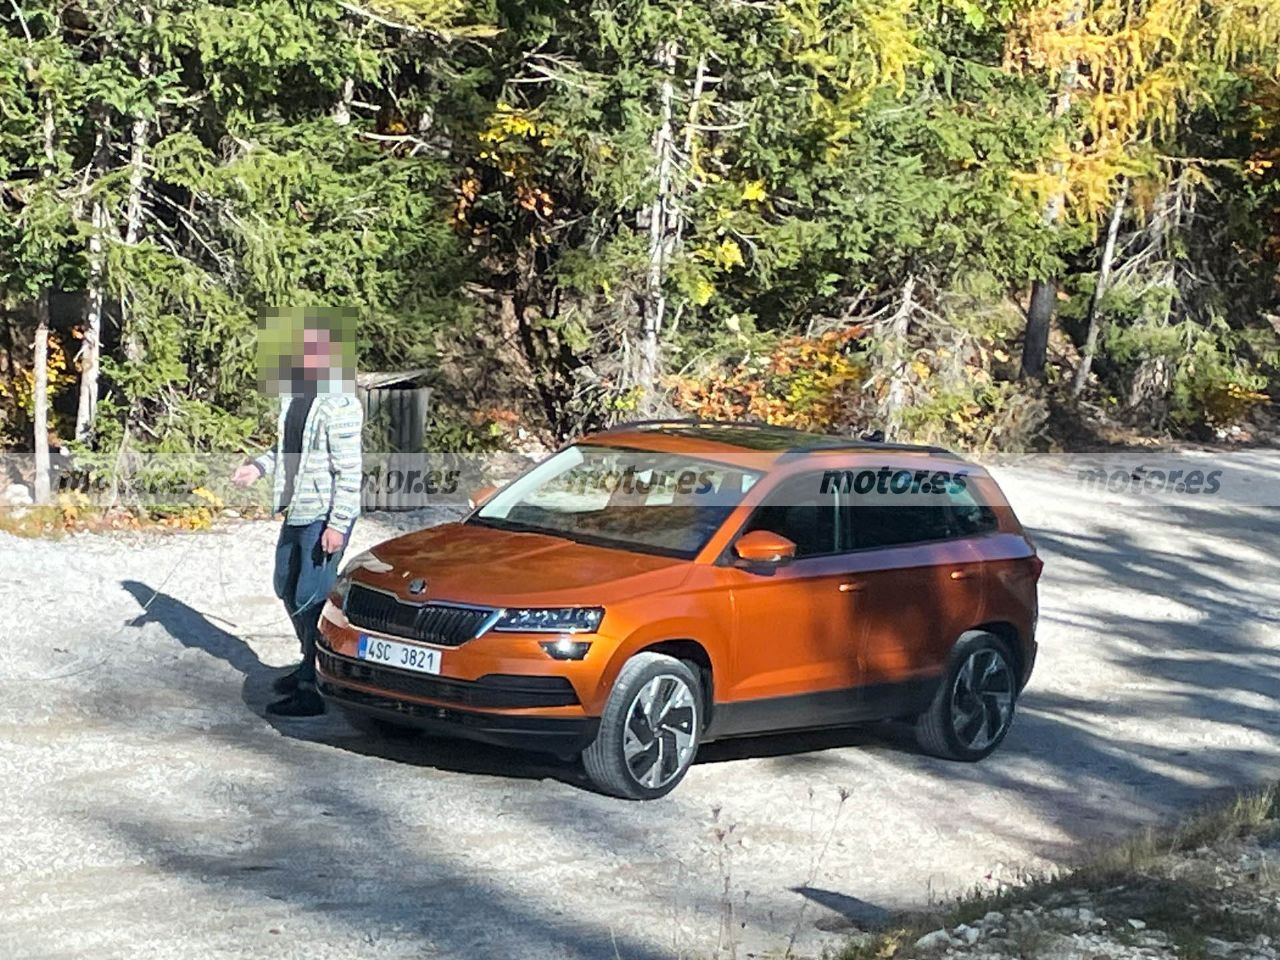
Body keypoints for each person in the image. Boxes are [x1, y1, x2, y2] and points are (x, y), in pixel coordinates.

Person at [232, 318, 363, 717]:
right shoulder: (295, 395)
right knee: (285, 586)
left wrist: (338, 524)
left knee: (311, 597)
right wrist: (258, 466)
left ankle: (315, 684)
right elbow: (288, 446)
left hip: (325, 516)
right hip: (298, 509)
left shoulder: (340, 404)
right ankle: (308, 659)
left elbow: (350, 470)